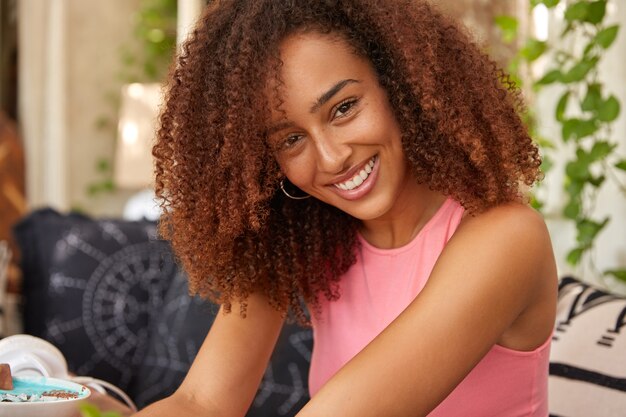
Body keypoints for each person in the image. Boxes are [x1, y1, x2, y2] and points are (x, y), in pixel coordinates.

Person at [136, 0, 557, 416]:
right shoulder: (308, 241)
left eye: (343, 108)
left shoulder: (507, 238)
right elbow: (201, 402)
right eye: (291, 140)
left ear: (399, 83)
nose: (332, 157)